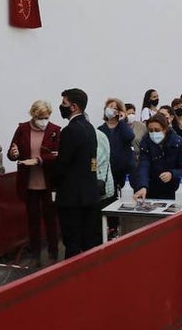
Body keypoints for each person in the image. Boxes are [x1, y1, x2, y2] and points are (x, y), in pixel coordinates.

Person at [7, 100, 62, 267]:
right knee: (32, 220)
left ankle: (53, 252)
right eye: (40, 117)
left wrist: (39, 160)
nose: (43, 121)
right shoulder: (22, 129)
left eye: (46, 117)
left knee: (50, 219)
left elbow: (58, 154)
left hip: (48, 182)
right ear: (33, 116)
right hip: (29, 182)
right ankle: (35, 254)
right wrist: (13, 154)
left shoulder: (55, 130)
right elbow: (12, 152)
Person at [54, 88, 102, 258]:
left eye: (64, 103)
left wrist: (54, 183)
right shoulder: (89, 127)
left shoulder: (70, 130)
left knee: (72, 243)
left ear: (74, 107)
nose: (61, 106)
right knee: (88, 241)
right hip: (89, 193)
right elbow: (90, 160)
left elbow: (63, 163)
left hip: (72, 197)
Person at [135, 113, 182, 202]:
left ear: (165, 129)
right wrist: (143, 186)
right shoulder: (145, 143)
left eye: (157, 130)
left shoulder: (177, 142)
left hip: (175, 190)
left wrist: (172, 174)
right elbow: (144, 166)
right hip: (153, 188)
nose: (153, 133)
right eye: (150, 131)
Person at [98, 97, 135, 199]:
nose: (112, 109)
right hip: (109, 170)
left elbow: (130, 136)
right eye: (110, 107)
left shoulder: (124, 126)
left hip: (126, 170)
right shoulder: (101, 129)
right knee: (110, 199)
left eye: (115, 108)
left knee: (127, 198)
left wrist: (122, 121)